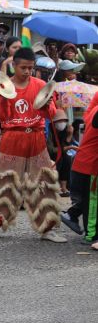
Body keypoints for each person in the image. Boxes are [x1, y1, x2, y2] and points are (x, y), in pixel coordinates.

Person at [0, 47, 66, 243]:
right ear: (14, 66)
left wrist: (48, 106)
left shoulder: (41, 85)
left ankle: (47, 228)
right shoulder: (2, 86)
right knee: (3, 183)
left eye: (31, 68)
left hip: (36, 137)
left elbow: (50, 114)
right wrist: (8, 100)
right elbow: (2, 117)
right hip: (12, 138)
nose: (27, 71)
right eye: (23, 67)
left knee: (44, 183)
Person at [61, 95, 98, 249]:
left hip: (85, 163)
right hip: (90, 166)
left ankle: (72, 215)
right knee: (93, 203)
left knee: (90, 201)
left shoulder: (93, 110)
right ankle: (92, 236)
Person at [47, 109, 77, 197]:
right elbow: (51, 149)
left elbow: (66, 144)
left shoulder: (65, 130)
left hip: (61, 153)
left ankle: (64, 188)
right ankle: (54, 186)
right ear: (54, 122)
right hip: (50, 154)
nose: (62, 123)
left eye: (64, 121)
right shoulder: (49, 130)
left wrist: (70, 135)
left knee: (67, 159)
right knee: (59, 158)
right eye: (60, 121)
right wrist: (67, 148)